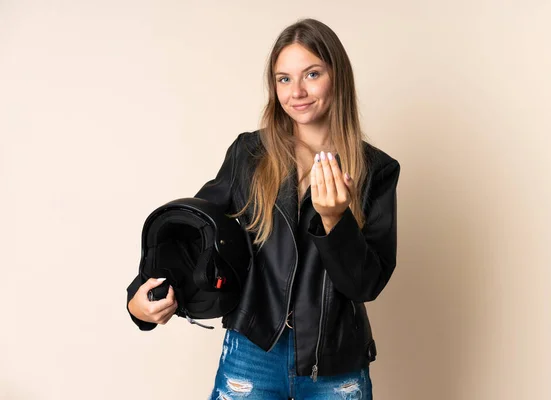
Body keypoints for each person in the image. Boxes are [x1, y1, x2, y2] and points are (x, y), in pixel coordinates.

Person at [126, 18, 400, 399]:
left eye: (312, 74)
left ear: (337, 76)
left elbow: (365, 285)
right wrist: (141, 296)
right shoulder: (248, 155)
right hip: (253, 352)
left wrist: (336, 220)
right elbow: (193, 233)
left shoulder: (377, 170)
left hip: (336, 362)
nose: (297, 91)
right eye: (284, 78)